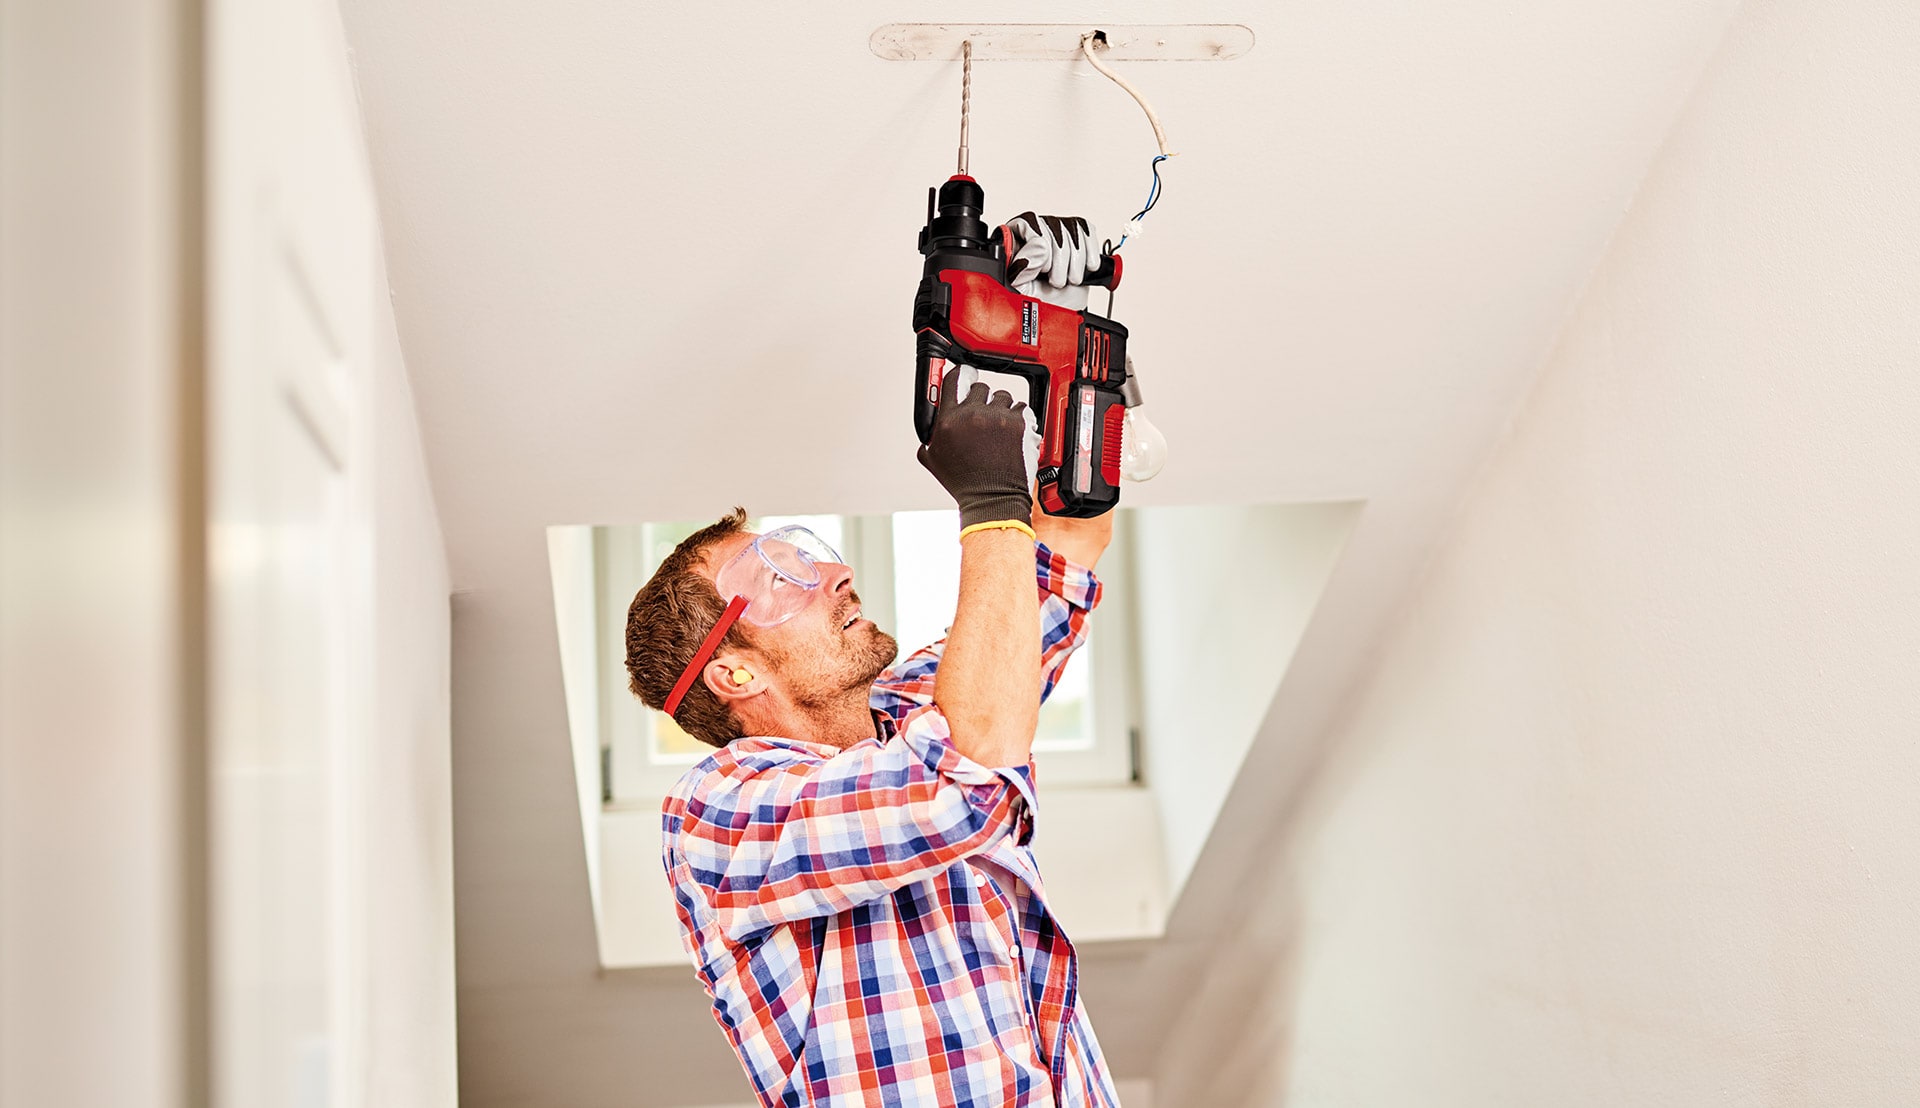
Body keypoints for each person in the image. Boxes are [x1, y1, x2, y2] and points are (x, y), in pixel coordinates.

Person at [623, 217, 1126, 1105]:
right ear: (733, 671)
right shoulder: (718, 815)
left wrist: (1075, 355)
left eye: (809, 549)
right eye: (779, 575)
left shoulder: (914, 709)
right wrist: (991, 503)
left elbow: (1066, 549)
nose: (835, 575)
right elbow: (965, 777)